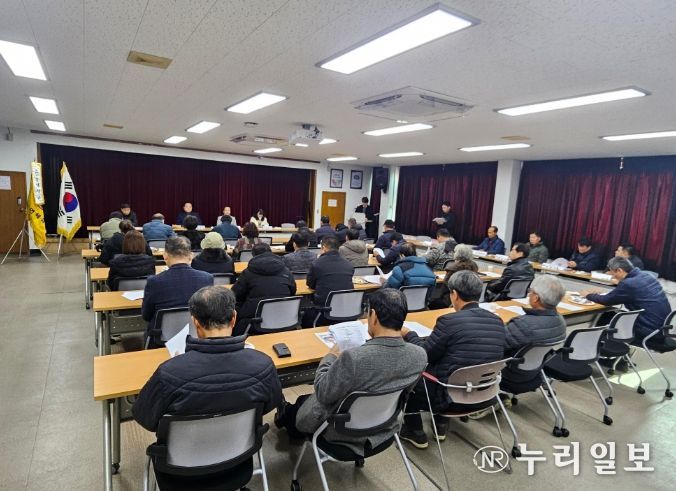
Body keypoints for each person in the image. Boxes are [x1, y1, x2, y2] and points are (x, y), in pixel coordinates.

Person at [133, 287, 283, 489]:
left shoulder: (170, 372)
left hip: (180, 474)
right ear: (234, 318)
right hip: (237, 462)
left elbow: (145, 417)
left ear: (195, 322)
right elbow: (270, 405)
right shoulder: (263, 365)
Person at [276, 288, 427, 452]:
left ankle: (286, 418)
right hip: (383, 428)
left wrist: (331, 357)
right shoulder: (419, 355)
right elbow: (404, 393)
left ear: (373, 316)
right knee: (302, 402)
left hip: (340, 433)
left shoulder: (354, 358)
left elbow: (323, 392)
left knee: (301, 405)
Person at [399, 271, 505, 448]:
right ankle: (440, 426)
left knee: (410, 375)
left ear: (454, 294)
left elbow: (424, 354)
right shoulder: (497, 321)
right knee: (452, 365)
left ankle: (415, 431)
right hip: (484, 395)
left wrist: (410, 334)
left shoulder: (449, 321)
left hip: (448, 400)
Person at [142, 236, 213, 347]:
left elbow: (146, 315)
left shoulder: (154, 281)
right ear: (191, 256)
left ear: (165, 255)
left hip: (161, 340)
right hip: (197, 336)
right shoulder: (207, 278)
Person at [582, 257, 671, 342]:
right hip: (661, 328)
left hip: (648, 331)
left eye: (612, 272)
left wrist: (589, 295)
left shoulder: (629, 283)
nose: (612, 276)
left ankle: (604, 348)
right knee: (613, 315)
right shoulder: (647, 276)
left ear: (619, 270)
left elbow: (607, 300)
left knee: (606, 317)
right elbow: (623, 295)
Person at [231, 243, 296, 335]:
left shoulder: (248, 272)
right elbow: (293, 291)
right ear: (271, 252)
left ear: (253, 255)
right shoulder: (286, 271)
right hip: (284, 318)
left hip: (254, 320)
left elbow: (235, 294)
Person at [503, 275, 567, 356]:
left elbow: (497, 344)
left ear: (535, 298)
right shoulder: (561, 320)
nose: (529, 294)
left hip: (512, 361)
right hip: (540, 360)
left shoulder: (522, 324)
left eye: (531, 291)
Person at [303, 236, 354, 327]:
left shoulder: (317, 263)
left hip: (325, 309)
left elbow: (310, 284)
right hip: (346, 308)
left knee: (306, 316)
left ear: (324, 247)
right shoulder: (349, 264)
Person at [429, 244, 479, 309]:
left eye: (454, 252)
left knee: (431, 304)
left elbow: (446, 286)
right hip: (469, 300)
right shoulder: (474, 266)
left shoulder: (453, 269)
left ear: (457, 254)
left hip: (451, 301)